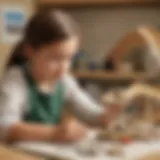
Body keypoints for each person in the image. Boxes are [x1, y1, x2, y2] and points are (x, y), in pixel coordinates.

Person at [0, 10, 120, 143]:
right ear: (30, 51)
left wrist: (107, 115)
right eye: (55, 58)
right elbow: (4, 127)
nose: (64, 67)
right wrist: (54, 133)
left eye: (69, 58)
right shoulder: (16, 79)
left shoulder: (64, 81)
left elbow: (89, 112)